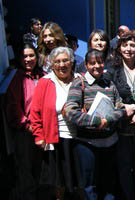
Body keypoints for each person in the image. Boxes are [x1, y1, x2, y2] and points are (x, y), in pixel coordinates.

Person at [64, 49, 132, 199]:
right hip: (87, 144)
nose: (97, 66)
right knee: (90, 186)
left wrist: (107, 119)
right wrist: (94, 121)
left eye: (100, 62)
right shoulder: (79, 83)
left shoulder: (109, 83)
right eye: (92, 63)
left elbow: (121, 108)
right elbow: (70, 111)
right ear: (86, 65)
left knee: (108, 184)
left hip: (110, 143)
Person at [104, 31, 135, 200]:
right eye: (125, 45)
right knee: (124, 167)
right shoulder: (112, 71)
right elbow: (107, 97)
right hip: (121, 130)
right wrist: (126, 111)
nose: (129, 49)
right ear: (119, 48)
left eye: (133, 45)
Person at [30, 46, 81, 199]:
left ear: (71, 62)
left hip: (79, 137)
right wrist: (38, 135)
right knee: (59, 181)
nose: (62, 65)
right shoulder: (45, 82)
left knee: (78, 179)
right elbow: (35, 111)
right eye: (57, 61)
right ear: (52, 64)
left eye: (65, 60)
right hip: (56, 137)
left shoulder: (80, 79)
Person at [6, 43, 45, 200]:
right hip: (26, 132)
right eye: (24, 56)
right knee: (25, 169)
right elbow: (13, 105)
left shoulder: (43, 76)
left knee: (41, 168)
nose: (28, 59)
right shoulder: (17, 77)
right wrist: (26, 125)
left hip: (43, 130)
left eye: (31, 55)